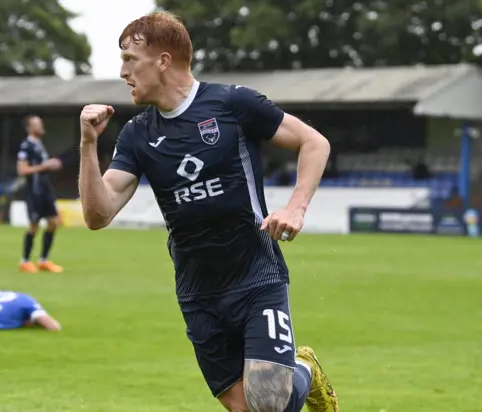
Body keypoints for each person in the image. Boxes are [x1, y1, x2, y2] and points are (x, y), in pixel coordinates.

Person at [78, 12, 338, 412]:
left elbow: (314, 142)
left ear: (163, 60)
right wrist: (87, 145)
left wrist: (295, 208)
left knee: (268, 402)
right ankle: (300, 374)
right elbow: (98, 215)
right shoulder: (136, 134)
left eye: (130, 59)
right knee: (245, 408)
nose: (122, 71)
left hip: (256, 275)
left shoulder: (232, 103)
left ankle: (302, 367)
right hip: (197, 289)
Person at [16, 115, 64, 273]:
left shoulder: (39, 144)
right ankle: (25, 261)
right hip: (34, 191)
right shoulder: (26, 146)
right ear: (29, 128)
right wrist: (46, 166)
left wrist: (50, 165)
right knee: (34, 226)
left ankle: (43, 260)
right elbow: (22, 170)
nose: (41, 126)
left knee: (53, 222)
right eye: (37, 124)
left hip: (45, 189)